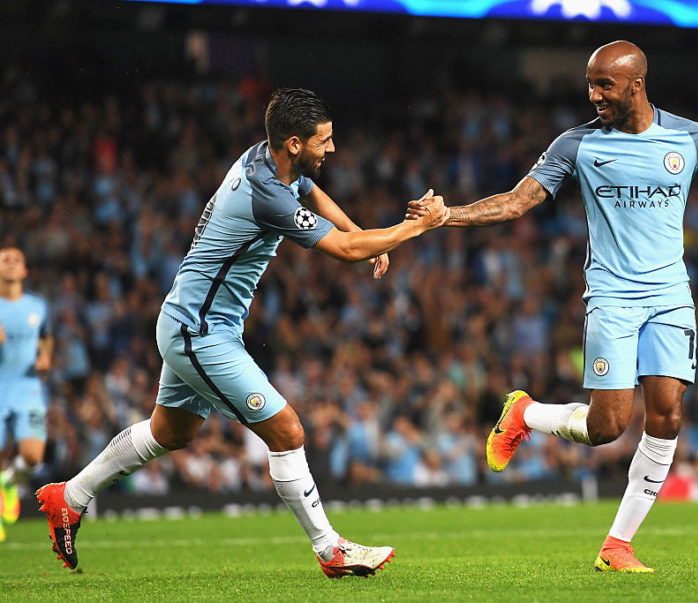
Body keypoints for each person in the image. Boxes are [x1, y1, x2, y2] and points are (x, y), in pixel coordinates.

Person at [407, 40, 698, 572]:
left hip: (670, 295)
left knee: (666, 416)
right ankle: (525, 413)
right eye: (591, 84)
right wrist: (448, 215)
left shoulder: (691, 139)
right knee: (608, 427)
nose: (594, 94)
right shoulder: (576, 145)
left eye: (605, 85)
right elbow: (517, 200)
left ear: (636, 83)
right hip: (613, 298)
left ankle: (617, 546)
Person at [36, 87, 450, 577]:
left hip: (192, 321)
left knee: (170, 432)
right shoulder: (266, 195)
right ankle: (329, 549)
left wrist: (362, 232)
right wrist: (420, 227)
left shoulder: (265, 159)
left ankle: (71, 494)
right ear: (294, 143)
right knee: (287, 430)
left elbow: (313, 195)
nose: (332, 149)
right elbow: (343, 250)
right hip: (200, 330)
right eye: (324, 140)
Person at [0, 247, 53, 543]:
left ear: (24, 271)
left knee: (33, 457)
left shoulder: (37, 306)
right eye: (4, 259)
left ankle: (8, 482)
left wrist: (45, 356)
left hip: (26, 387)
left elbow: (46, 337)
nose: (10, 262)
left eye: (16, 259)